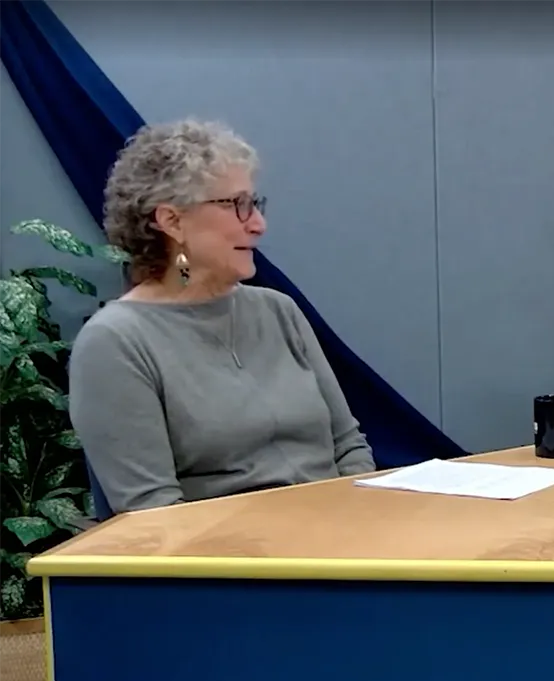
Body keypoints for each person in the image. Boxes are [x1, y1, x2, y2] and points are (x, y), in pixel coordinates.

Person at [68, 119, 376, 515]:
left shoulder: (277, 310)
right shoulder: (115, 342)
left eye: (255, 204)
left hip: (339, 533)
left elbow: (349, 447)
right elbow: (154, 515)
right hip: (229, 550)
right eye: (237, 205)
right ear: (172, 221)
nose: (258, 224)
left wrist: (353, 521)